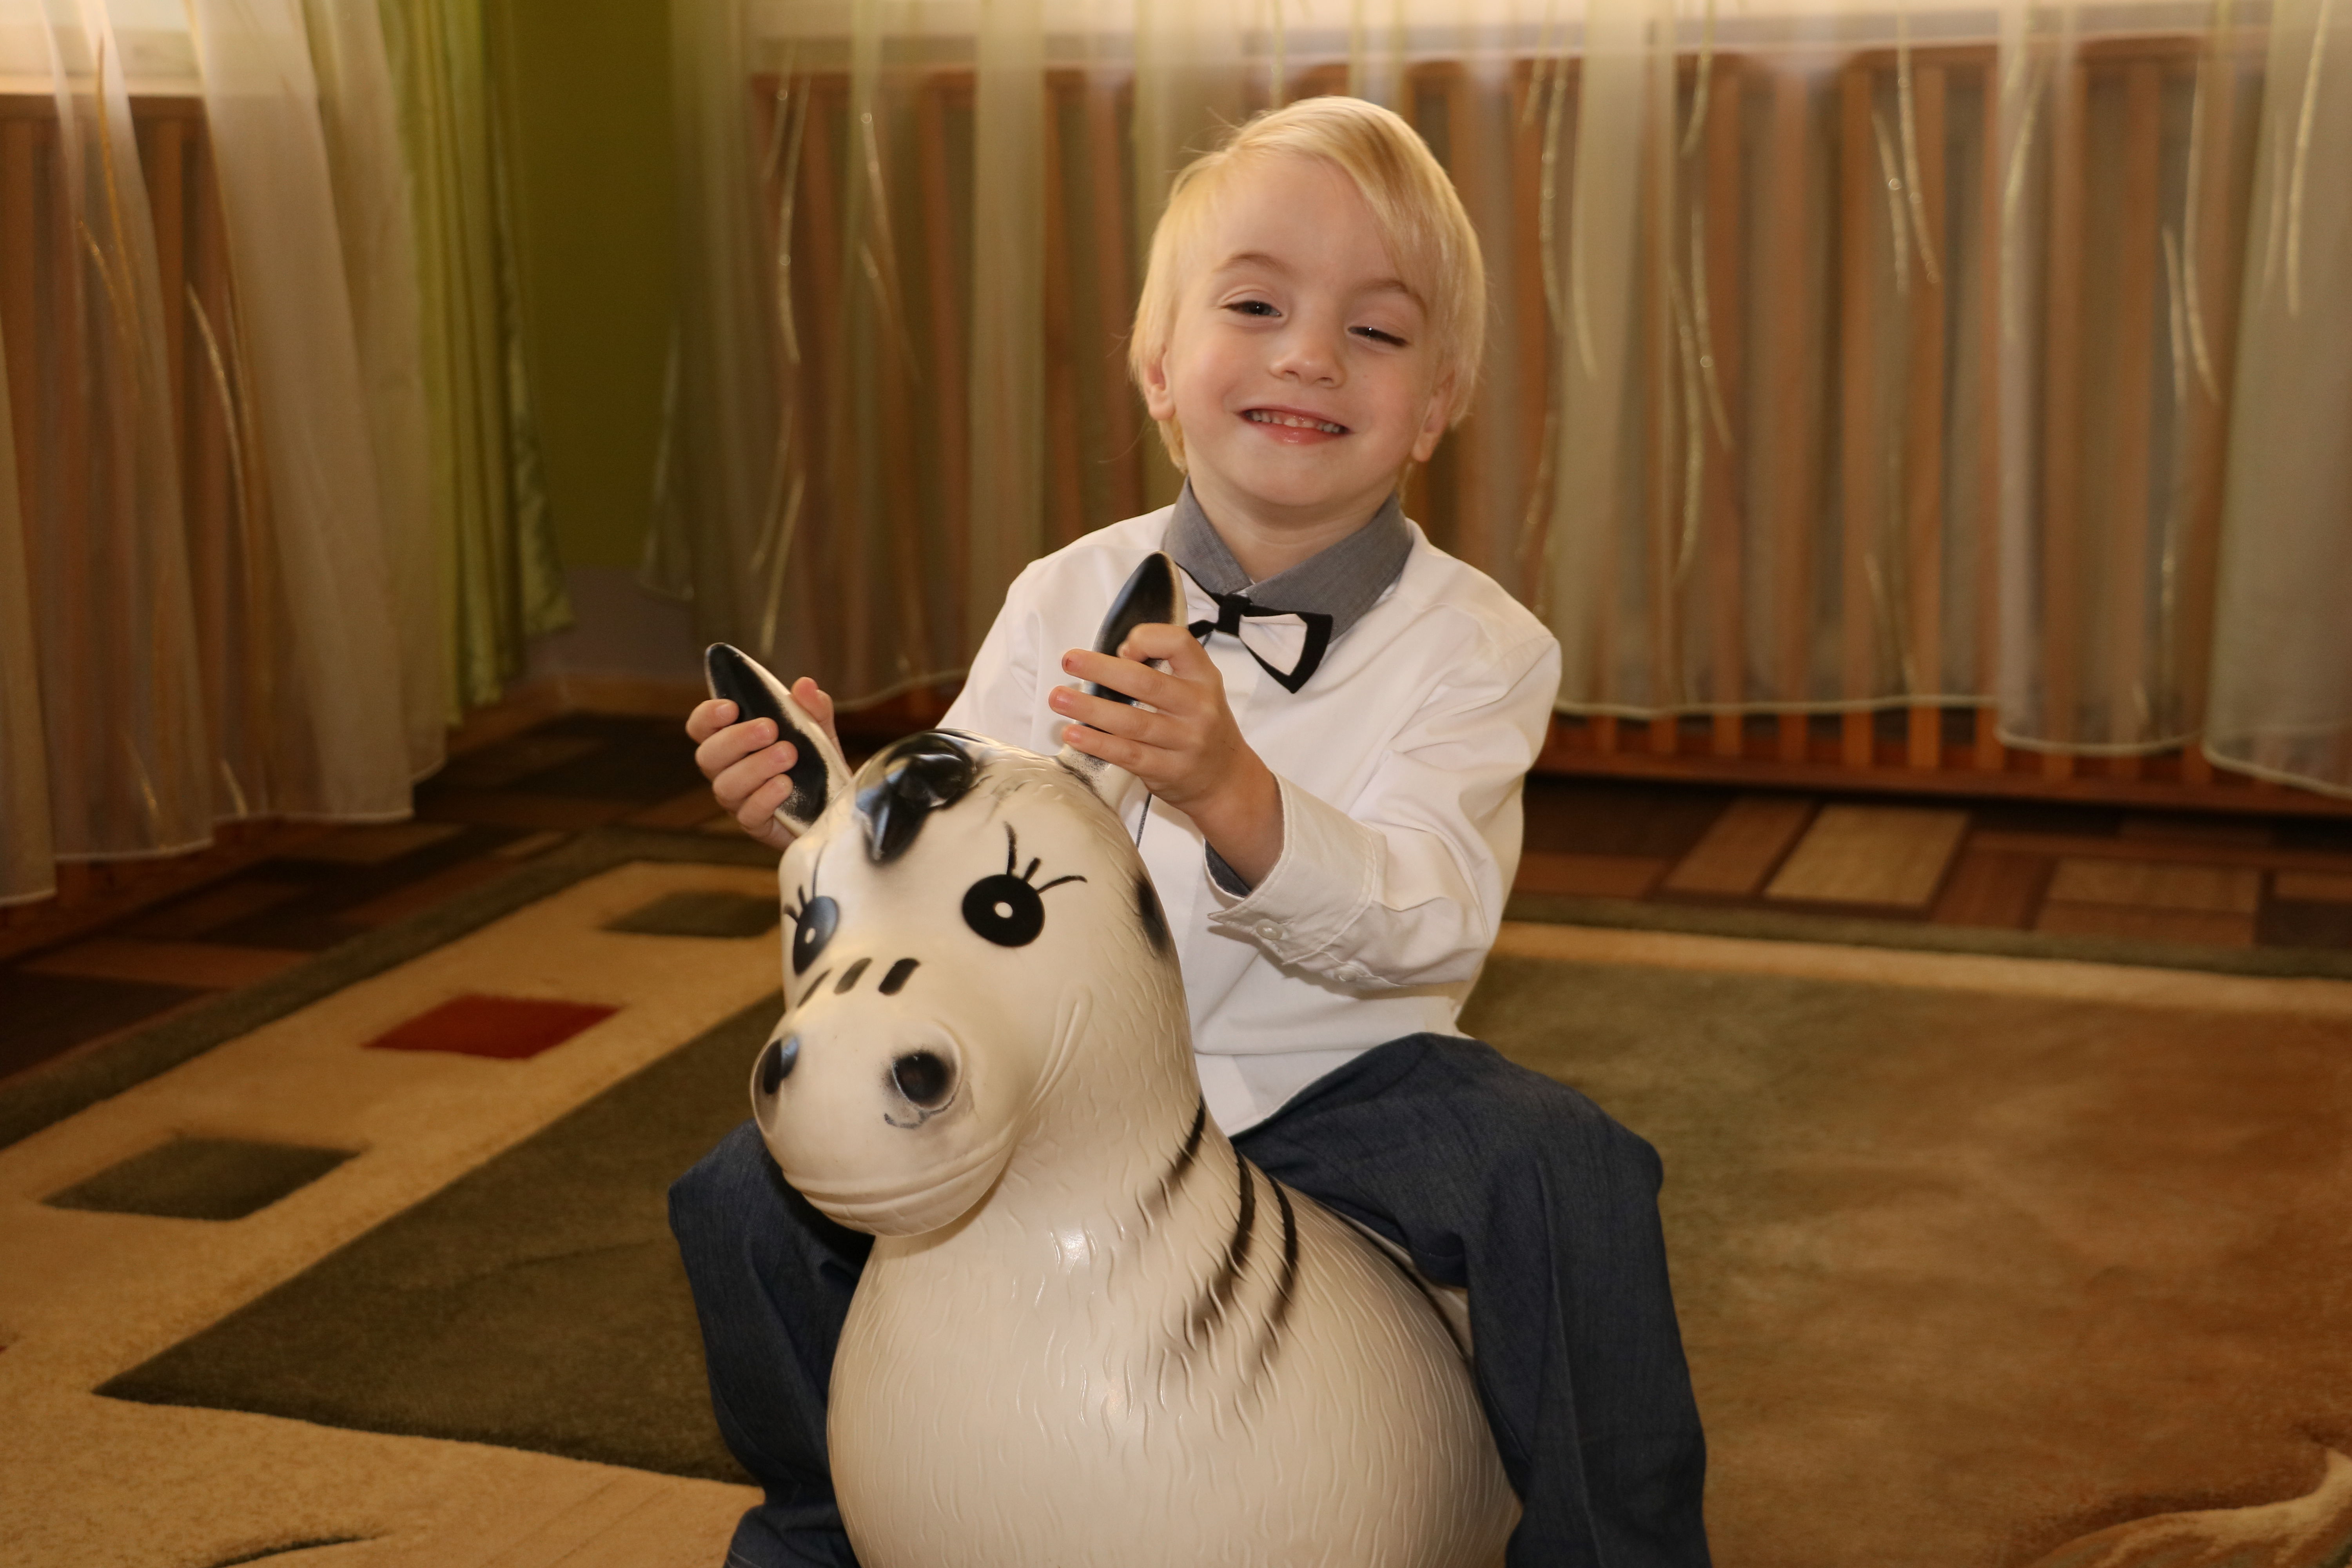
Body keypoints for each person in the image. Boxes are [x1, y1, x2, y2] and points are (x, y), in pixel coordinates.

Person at [671, 95, 1710, 1567]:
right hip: (1060, 1095)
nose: (1309, 354)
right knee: (744, 1192)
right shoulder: (1058, 595)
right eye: (1255, 306)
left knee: (1567, 1168)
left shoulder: (1480, 647)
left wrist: (1242, 800)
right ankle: (833, 1520)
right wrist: (825, 810)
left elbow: (1432, 919)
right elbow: (956, 847)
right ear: (1160, 367)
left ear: (1437, 404)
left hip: (1329, 1083)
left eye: (1377, 330)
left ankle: (1617, 1548)